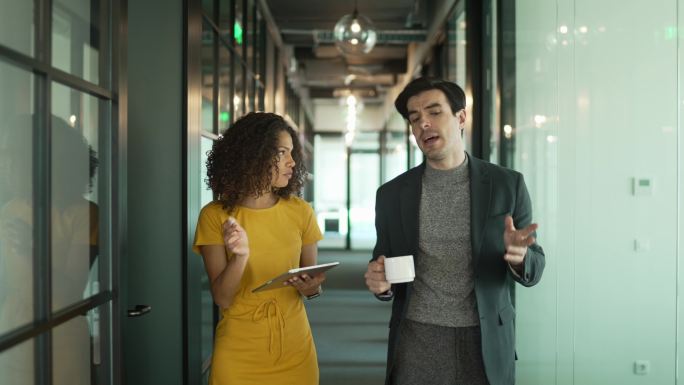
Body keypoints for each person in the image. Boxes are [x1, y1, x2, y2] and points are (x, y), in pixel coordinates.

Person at [364, 77, 545, 385]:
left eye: (435, 112)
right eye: (415, 118)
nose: (424, 124)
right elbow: (385, 263)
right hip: (417, 339)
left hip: (485, 339)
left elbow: (535, 266)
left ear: (461, 117)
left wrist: (519, 256)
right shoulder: (392, 194)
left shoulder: (506, 185)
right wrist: (381, 283)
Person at [193, 112, 325, 385]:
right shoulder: (214, 216)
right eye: (281, 153)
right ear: (253, 155)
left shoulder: (301, 212)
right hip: (239, 350)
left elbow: (312, 284)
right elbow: (223, 298)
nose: (292, 162)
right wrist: (240, 256)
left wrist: (311, 288)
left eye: (292, 153)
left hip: (294, 346)